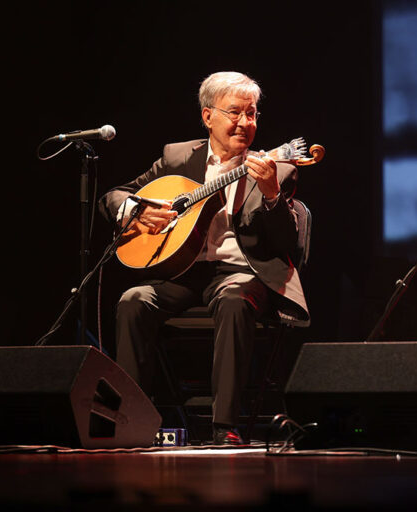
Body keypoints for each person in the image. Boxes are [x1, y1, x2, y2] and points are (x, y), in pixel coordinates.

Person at [99, 71, 309, 445]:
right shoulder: (177, 156)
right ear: (208, 116)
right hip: (182, 272)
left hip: (241, 273)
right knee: (133, 301)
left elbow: (287, 243)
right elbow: (114, 196)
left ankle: (224, 427)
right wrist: (138, 211)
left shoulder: (279, 169)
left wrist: (272, 195)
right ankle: (131, 422)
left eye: (251, 114)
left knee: (233, 299)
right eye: (234, 112)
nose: (244, 122)